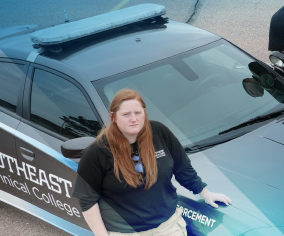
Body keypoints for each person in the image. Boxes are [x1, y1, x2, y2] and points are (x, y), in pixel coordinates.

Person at [74, 89, 232, 236]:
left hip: (168, 227)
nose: (134, 119)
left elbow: (182, 168)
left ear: (144, 112)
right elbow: (87, 200)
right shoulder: (97, 152)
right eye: (126, 114)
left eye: (138, 112)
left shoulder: (159, 132)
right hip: (125, 232)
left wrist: (205, 193)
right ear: (114, 116)